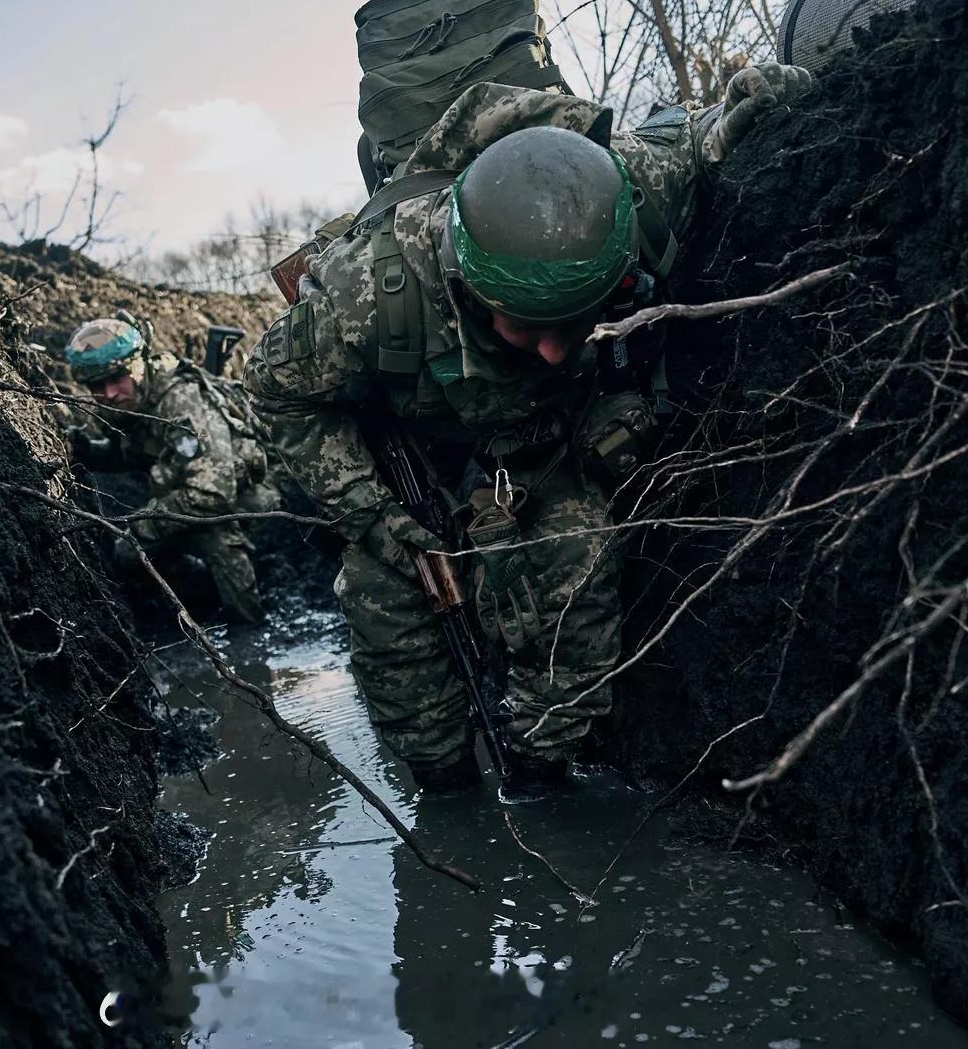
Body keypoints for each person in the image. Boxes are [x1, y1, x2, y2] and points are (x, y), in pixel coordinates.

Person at [245, 65, 813, 800]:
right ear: (467, 283)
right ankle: (444, 790)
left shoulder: (632, 194)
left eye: (572, 325)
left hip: (547, 453)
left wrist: (749, 105)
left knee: (578, 566)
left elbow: (703, 136)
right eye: (524, 326)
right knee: (386, 609)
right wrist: (377, 518)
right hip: (417, 466)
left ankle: (540, 777)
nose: (552, 351)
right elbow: (274, 392)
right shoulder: (366, 295)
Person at [65, 314, 277, 623]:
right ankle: (198, 601)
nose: (109, 393)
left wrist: (142, 524)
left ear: (139, 365)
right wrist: (88, 452)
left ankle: (249, 632)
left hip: (248, 498)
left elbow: (214, 493)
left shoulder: (180, 401)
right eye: (97, 385)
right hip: (191, 494)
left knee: (216, 539)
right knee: (129, 553)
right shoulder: (136, 400)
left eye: (117, 378)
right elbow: (136, 454)